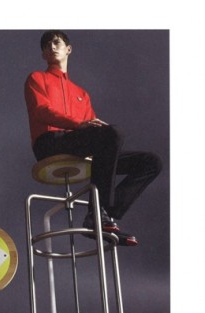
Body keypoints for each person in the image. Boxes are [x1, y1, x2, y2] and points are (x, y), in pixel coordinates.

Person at [24, 30, 162, 246]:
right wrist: (79, 125)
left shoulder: (81, 93)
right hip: (49, 143)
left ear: (68, 49)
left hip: (77, 147)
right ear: (43, 54)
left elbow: (94, 130)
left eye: (56, 42)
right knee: (112, 134)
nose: (51, 47)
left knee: (151, 162)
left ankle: (103, 215)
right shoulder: (36, 78)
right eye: (46, 45)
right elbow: (42, 111)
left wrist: (104, 133)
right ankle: (98, 214)